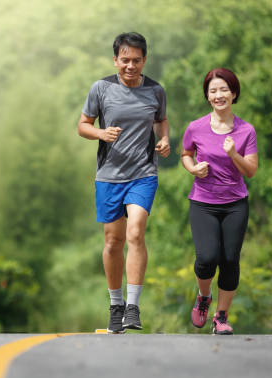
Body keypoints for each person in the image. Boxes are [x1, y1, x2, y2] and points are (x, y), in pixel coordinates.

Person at [77, 32, 170, 333]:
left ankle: (133, 306)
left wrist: (165, 138)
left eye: (137, 60)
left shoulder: (155, 90)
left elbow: (161, 119)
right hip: (109, 176)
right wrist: (100, 134)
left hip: (143, 173)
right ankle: (115, 305)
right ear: (115, 59)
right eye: (125, 60)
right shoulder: (101, 88)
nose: (131, 66)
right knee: (113, 241)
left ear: (145, 60)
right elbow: (82, 125)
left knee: (135, 232)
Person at [181, 67, 258, 335]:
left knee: (229, 259)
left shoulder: (246, 130)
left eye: (224, 89)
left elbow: (250, 170)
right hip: (203, 201)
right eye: (213, 91)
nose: (218, 95)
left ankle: (221, 317)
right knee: (206, 258)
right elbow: (185, 153)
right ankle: (204, 297)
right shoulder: (196, 127)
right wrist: (192, 169)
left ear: (234, 93)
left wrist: (234, 154)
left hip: (235, 203)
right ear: (207, 96)